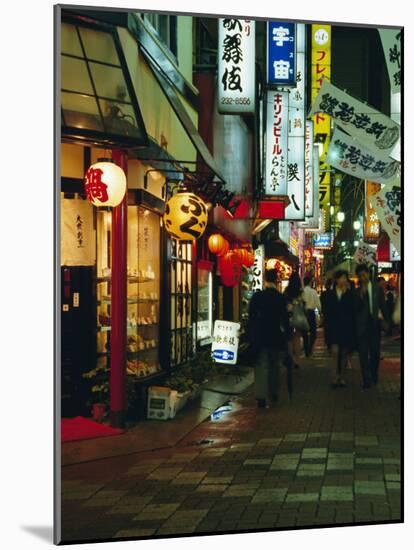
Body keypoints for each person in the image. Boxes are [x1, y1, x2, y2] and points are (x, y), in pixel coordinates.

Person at [247, 268, 291, 408]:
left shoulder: (258, 297)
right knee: (274, 366)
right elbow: (285, 319)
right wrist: (287, 336)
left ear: (265, 279)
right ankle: (274, 392)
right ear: (276, 280)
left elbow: (251, 317)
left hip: (260, 336)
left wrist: (250, 333)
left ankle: (261, 396)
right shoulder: (280, 297)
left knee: (261, 365)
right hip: (275, 336)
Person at [354, 264, 388, 389]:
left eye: (364, 275)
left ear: (368, 274)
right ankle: (366, 379)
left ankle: (373, 375)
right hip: (362, 326)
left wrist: (386, 320)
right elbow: (355, 309)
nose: (363, 278)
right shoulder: (356, 291)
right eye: (360, 276)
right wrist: (360, 296)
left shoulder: (376, 288)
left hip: (374, 325)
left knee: (375, 353)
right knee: (363, 354)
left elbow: (382, 305)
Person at [325, 270, 356, 387]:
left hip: (345, 328)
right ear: (336, 280)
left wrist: (345, 294)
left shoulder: (350, 294)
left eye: (345, 278)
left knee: (344, 353)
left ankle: (342, 376)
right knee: (334, 352)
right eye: (341, 278)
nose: (343, 280)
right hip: (333, 327)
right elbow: (328, 311)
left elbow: (351, 311)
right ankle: (334, 377)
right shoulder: (329, 294)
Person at [284, 271, 307, 369]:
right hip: (298, 318)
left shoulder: (286, 291)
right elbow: (304, 305)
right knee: (297, 338)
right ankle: (297, 359)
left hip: (289, 317)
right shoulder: (301, 292)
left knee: (289, 339)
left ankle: (291, 359)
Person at [302, 275, 321, 357]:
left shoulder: (302, 291)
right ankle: (309, 348)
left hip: (304, 313)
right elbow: (318, 304)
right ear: (310, 282)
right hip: (311, 313)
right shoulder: (313, 292)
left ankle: (306, 350)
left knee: (305, 333)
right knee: (313, 333)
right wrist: (320, 312)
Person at [320, 279, 333, 352]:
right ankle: (330, 342)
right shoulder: (332, 293)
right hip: (331, 313)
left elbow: (321, 303)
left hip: (325, 313)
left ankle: (328, 343)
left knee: (327, 329)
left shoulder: (323, 294)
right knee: (330, 328)